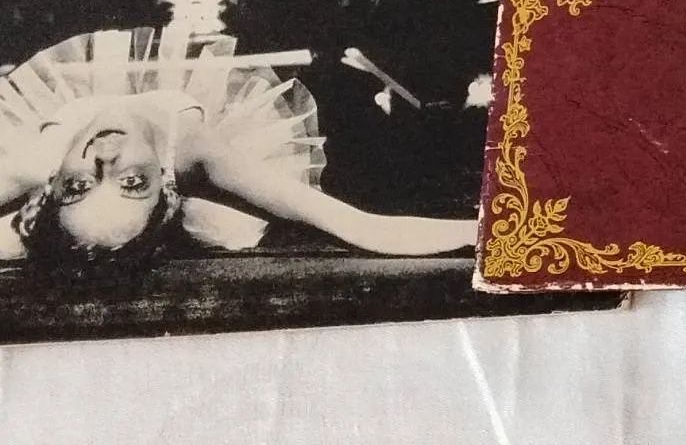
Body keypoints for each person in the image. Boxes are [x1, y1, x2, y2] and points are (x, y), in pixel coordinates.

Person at [0, 30, 474, 273]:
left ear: (52, 186)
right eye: (131, 184)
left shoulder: (39, 163)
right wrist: (483, 231)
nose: (106, 160)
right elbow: (357, 226)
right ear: (164, 185)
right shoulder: (194, 155)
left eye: (78, 186)